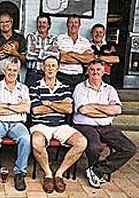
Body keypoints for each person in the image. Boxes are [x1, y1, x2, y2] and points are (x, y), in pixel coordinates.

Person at [73, 60, 136, 189]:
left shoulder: (110, 89)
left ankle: (96, 170)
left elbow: (118, 109)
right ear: (87, 71)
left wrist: (93, 107)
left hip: (106, 126)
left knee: (129, 148)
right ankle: (96, 172)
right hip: (85, 124)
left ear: (104, 72)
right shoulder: (80, 87)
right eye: (92, 70)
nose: (95, 72)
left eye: (98, 70)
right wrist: (107, 111)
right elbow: (83, 110)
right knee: (95, 147)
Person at [30, 56, 87, 193]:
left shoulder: (65, 87)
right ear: (43, 68)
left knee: (81, 142)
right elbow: (36, 110)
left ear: (58, 68)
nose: (50, 69)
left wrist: (48, 103)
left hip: (60, 125)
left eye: (53, 66)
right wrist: (59, 105)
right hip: (40, 125)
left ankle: (59, 174)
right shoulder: (34, 86)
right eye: (47, 66)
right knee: (37, 142)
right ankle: (48, 174)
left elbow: (68, 109)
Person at [0, 56, 31, 191]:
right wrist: (16, 107)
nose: (11, 73)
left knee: (26, 139)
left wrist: (6, 105)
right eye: (9, 70)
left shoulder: (24, 89)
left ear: (18, 72)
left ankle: (19, 173)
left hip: (17, 123)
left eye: (15, 70)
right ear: (4, 70)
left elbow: (26, 109)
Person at [51, 15, 94, 88]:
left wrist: (71, 54)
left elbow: (90, 59)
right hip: (62, 75)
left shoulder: (85, 41)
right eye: (71, 22)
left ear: (79, 25)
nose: (73, 25)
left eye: (76, 22)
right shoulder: (60, 39)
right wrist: (81, 58)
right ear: (67, 24)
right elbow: (61, 58)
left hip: (79, 76)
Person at [0, 12, 26, 83]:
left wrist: (15, 53)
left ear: (12, 22)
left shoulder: (19, 38)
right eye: (2, 22)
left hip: (14, 78)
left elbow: (25, 60)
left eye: (7, 21)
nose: (5, 24)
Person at [25, 14, 59, 87]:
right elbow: (28, 55)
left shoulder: (53, 39)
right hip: (33, 74)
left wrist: (39, 51)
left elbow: (56, 56)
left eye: (44, 23)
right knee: (31, 96)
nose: (41, 25)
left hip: (48, 75)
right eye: (39, 22)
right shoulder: (31, 37)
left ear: (49, 25)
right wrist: (48, 50)